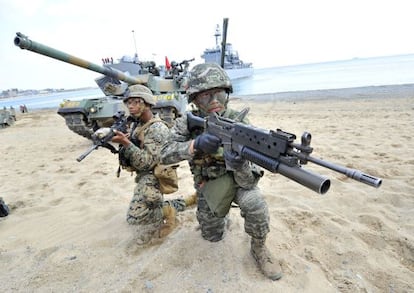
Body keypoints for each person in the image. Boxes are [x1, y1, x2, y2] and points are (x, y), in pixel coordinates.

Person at [160, 63, 282, 280]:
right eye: (206, 96)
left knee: (255, 202)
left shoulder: (240, 121)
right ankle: (219, 216)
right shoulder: (187, 121)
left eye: (220, 94)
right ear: (195, 99)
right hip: (209, 186)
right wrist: (194, 145)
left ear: (228, 93)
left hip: (238, 182)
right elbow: (164, 155)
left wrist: (239, 164)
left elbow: (249, 182)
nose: (214, 101)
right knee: (212, 236)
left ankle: (259, 248)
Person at [110, 84, 196, 244]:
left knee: (135, 218)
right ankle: (185, 201)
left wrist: (126, 143)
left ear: (148, 103)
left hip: (155, 176)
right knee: (146, 207)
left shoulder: (157, 128)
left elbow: (147, 163)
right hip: (145, 175)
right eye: (129, 102)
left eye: (136, 102)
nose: (131, 106)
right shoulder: (139, 124)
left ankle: (168, 210)